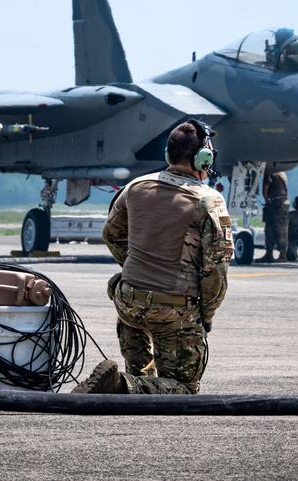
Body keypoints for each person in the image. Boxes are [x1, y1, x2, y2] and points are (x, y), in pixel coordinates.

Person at [73, 119, 233, 395]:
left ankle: (132, 380)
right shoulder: (208, 200)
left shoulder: (135, 187)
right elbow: (215, 270)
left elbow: (111, 234)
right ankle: (122, 384)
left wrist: (137, 266)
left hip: (129, 303)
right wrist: (206, 315)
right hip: (173, 311)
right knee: (183, 388)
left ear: (168, 155)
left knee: (143, 373)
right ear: (202, 158)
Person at [258, 169, 288, 263]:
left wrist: (267, 200)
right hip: (282, 202)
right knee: (277, 228)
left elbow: (266, 188)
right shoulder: (282, 172)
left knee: (276, 229)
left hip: (276, 202)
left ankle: (280, 255)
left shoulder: (269, 171)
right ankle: (272, 254)